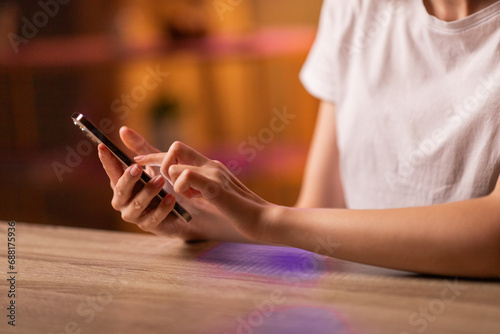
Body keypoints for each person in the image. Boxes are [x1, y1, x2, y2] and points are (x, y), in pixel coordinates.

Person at [98, 0, 500, 278]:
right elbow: (319, 214)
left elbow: (492, 237)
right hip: (363, 312)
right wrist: (201, 219)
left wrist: (267, 218)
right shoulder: (355, 8)